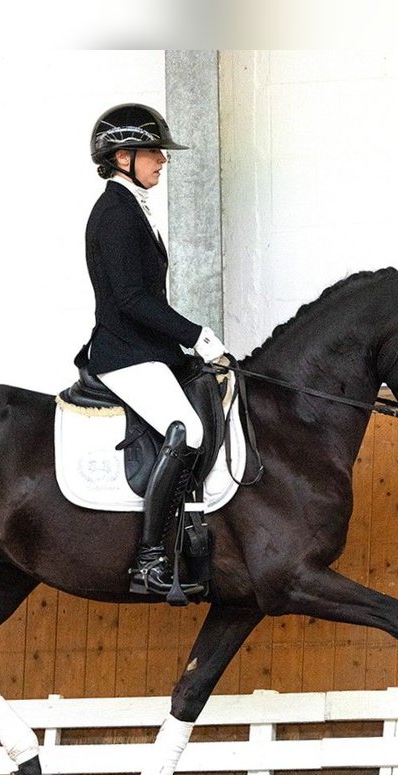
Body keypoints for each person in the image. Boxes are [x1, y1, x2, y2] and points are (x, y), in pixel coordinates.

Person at [77, 102, 227, 597]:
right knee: (188, 432)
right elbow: (132, 300)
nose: (163, 160)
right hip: (124, 353)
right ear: (123, 157)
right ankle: (149, 558)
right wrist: (197, 335)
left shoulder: (130, 208)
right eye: (154, 152)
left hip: (144, 347)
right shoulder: (116, 214)